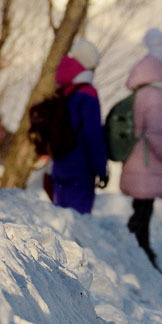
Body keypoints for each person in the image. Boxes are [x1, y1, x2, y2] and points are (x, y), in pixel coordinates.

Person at [120, 28, 162, 282]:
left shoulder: (142, 93)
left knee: (141, 213)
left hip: (139, 163)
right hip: (148, 165)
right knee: (142, 215)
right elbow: (158, 132)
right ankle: (141, 263)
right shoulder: (155, 97)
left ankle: (141, 260)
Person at [48, 38, 109, 214]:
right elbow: (93, 136)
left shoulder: (63, 90)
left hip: (59, 166)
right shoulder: (87, 93)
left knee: (60, 222)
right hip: (81, 170)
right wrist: (101, 169)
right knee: (77, 226)